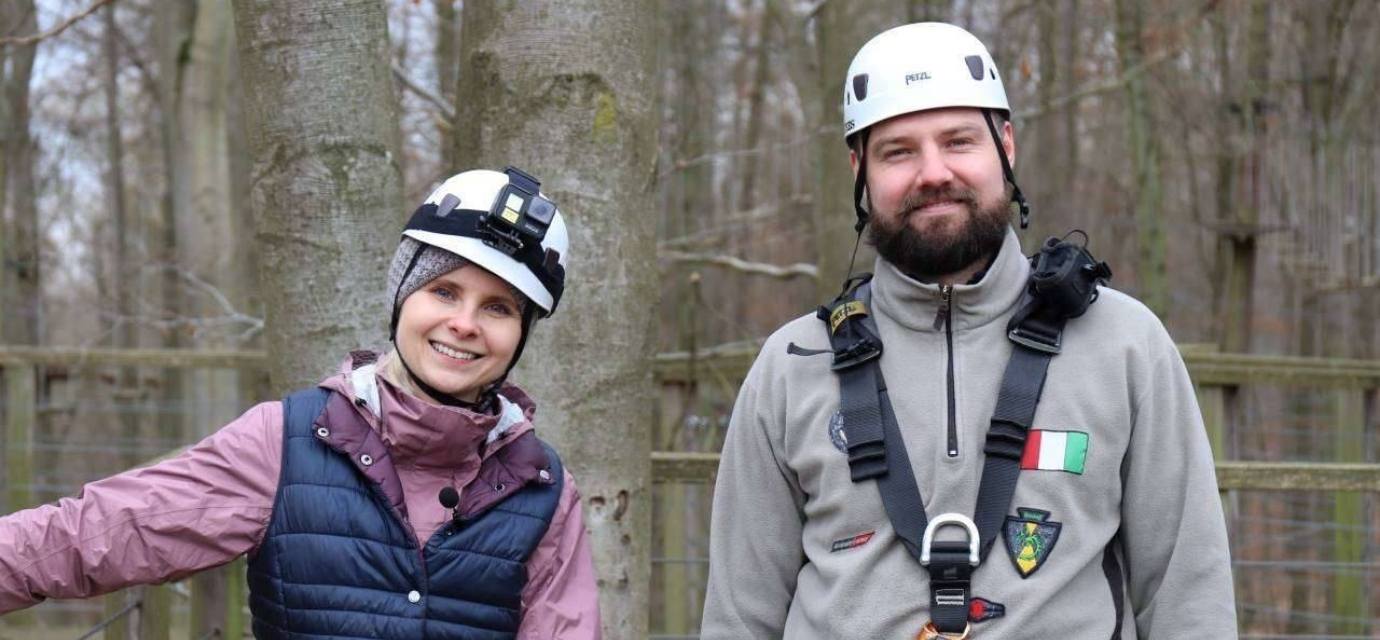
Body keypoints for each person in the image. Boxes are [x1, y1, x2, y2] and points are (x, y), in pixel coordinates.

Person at [701, 22, 1236, 639]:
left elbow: (1189, 599)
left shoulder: (1123, 346)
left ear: (1005, 145)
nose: (933, 173)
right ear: (859, 171)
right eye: (898, 151)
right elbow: (739, 617)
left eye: (958, 141)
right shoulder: (793, 365)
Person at [0, 167, 601, 639]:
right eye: (444, 290)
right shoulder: (287, 443)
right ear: (401, 295)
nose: (463, 323)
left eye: (498, 308)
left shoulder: (542, 489)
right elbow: (96, 534)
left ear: (522, 334)